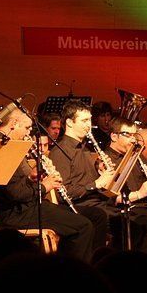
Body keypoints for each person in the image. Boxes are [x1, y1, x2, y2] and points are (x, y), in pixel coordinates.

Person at [0, 108, 95, 261]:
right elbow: (15, 193)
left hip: (24, 208)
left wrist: (31, 178)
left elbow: (14, 185)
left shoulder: (5, 145)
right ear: (14, 124)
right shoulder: (3, 148)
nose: (28, 133)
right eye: (27, 128)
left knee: (83, 220)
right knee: (83, 227)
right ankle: (72, 272)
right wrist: (45, 186)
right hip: (16, 214)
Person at [47, 99, 111, 251]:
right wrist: (96, 184)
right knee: (103, 216)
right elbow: (64, 193)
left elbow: (85, 179)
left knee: (129, 213)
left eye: (89, 120)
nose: (89, 125)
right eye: (84, 121)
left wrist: (100, 172)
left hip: (94, 201)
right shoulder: (61, 151)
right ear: (69, 122)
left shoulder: (85, 148)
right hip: (77, 205)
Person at [103, 118, 147, 257]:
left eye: (134, 135)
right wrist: (140, 192)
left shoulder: (135, 155)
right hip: (126, 208)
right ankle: (140, 262)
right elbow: (110, 198)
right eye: (128, 135)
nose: (133, 140)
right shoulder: (105, 160)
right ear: (114, 136)